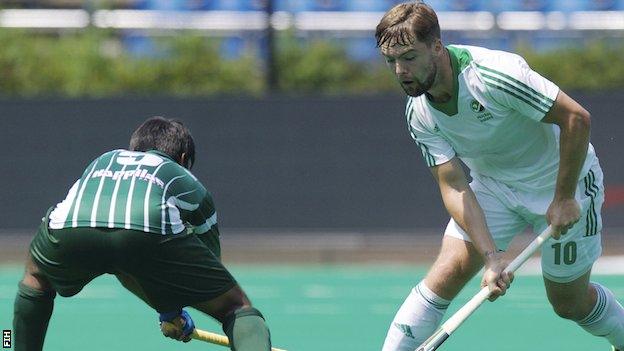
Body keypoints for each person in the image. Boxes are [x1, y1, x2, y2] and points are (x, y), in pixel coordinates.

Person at [375, 2, 624, 350]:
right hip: (495, 187)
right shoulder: (419, 113)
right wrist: (491, 256)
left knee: (569, 303)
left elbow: (576, 119)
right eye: (391, 61)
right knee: (445, 274)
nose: (401, 70)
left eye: (409, 57)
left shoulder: (494, 75)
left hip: (563, 184)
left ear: (436, 46)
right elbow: (455, 186)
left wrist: (564, 196)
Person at [12, 117, 272, 351]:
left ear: (134, 148)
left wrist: (169, 310)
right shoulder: (182, 176)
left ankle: (8, 342)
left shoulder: (104, 160)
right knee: (236, 307)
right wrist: (177, 305)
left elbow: (125, 265)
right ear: (182, 158)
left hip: (69, 227)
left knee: (35, 277)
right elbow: (207, 266)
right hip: (148, 230)